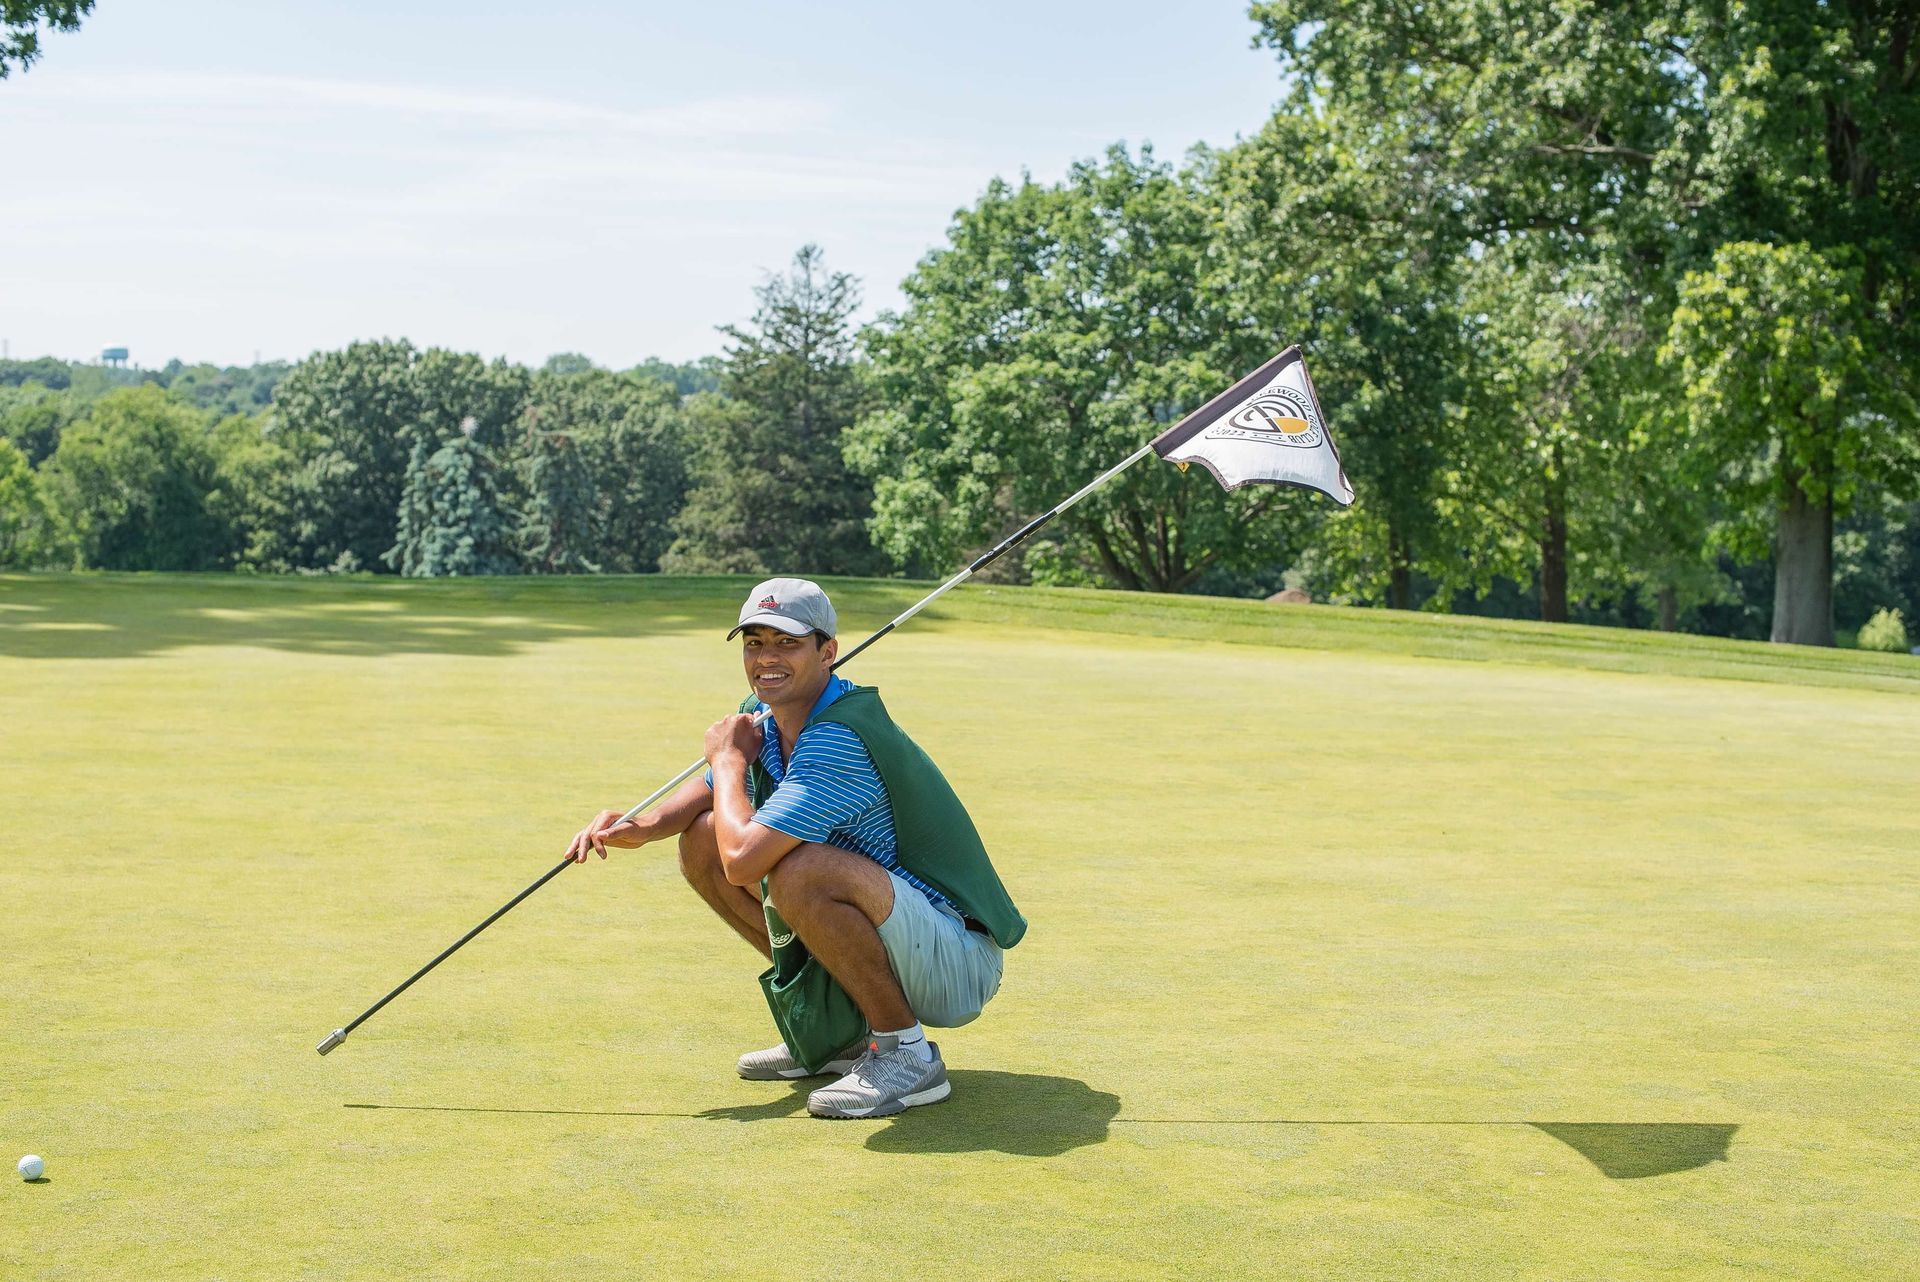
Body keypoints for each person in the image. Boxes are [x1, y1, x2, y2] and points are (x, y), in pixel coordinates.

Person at [566, 577, 1025, 1119]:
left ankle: (906, 1053)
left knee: (802, 871)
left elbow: (742, 861)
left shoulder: (839, 736)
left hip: (957, 959)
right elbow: (708, 801)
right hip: (902, 936)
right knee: (699, 839)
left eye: (787, 643)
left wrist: (728, 759)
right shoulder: (767, 715)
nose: (767, 658)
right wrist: (642, 825)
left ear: (827, 651)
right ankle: (836, 1036)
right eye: (754, 643)